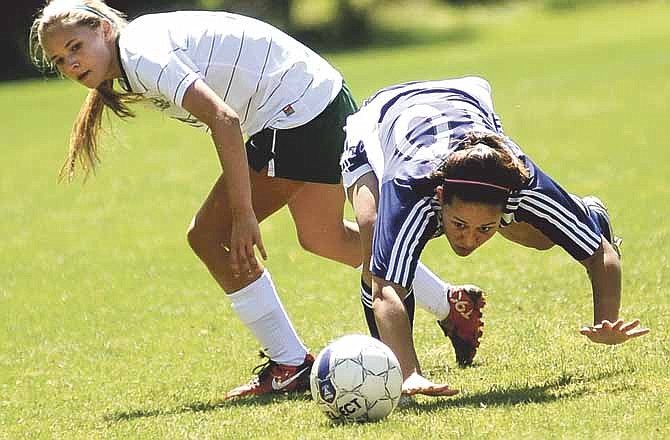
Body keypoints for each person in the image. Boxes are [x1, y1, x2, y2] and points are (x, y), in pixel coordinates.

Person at [29, 0, 476, 399]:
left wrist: (243, 216)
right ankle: (449, 302)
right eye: (59, 59)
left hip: (297, 113)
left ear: (103, 30)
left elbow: (224, 120)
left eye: (75, 47)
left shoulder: (140, 53)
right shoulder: (130, 54)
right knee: (322, 237)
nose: (70, 63)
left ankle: (289, 365)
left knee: (209, 235)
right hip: (317, 99)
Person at [341, 75, 650, 395]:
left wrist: (606, 320)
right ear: (440, 197)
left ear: (509, 199)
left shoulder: (521, 181)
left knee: (545, 237)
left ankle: (585, 217)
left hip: (463, 100)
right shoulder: (409, 190)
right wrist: (408, 374)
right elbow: (386, 289)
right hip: (379, 118)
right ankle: (389, 370)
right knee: (373, 231)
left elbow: (600, 254)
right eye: (459, 224)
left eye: (485, 228)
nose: (469, 240)